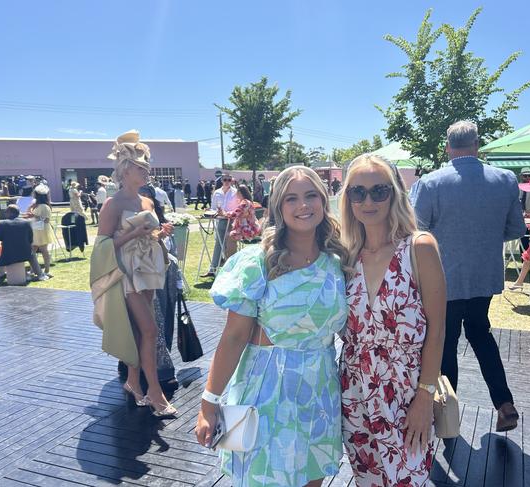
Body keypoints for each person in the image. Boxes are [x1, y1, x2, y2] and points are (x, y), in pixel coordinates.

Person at [194, 166, 351, 487]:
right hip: (264, 392)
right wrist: (208, 404)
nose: (303, 205)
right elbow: (233, 337)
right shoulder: (257, 263)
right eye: (291, 198)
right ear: (278, 207)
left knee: (311, 479)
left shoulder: (338, 264)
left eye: (311, 196)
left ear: (324, 201)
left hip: (318, 390)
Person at [410, 120, 526, 432]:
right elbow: (517, 229)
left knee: (443, 342)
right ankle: (504, 403)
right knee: (481, 334)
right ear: (477, 145)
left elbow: (415, 231)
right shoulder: (505, 179)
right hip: (482, 277)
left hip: (442, 279)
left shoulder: (431, 183)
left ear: (447, 147)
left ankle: (448, 416)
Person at [339, 155, 445, 486]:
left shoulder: (419, 248)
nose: (368, 201)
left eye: (379, 191)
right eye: (358, 192)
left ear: (396, 193)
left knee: (408, 479)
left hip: (405, 393)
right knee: (366, 479)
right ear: (348, 198)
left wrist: (425, 396)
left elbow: (438, 330)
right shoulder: (345, 256)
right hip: (353, 392)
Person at [96, 130, 176, 417]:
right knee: (150, 330)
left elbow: (151, 234)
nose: (146, 172)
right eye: (141, 168)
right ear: (125, 169)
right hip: (126, 273)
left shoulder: (147, 202)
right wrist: (134, 234)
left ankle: (132, 381)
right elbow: (103, 245)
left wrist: (158, 232)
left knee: (140, 331)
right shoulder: (113, 204)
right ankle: (155, 392)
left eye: (147, 167)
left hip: (148, 269)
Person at [0, 204, 46, 281]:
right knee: (32, 256)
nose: (5, 213)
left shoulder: (2, 224)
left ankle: (1, 275)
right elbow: (30, 239)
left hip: (9, 254)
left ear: (9, 212)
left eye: (6, 211)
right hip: (25, 253)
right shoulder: (26, 223)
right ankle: (40, 274)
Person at [204, 173, 238, 277]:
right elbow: (213, 207)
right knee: (218, 244)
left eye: (229, 179)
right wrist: (212, 211)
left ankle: (232, 270)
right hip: (221, 220)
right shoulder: (217, 192)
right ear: (222, 181)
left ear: (231, 180)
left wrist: (227, 213)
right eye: (225, 180)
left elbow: (237, 208)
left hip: (232, 221)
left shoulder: (235, 192)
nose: (227, 181)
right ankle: (213, 268)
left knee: (230, 245)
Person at [26, 184, 56, 278]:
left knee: (44, 250)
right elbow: (29, 213)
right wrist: (31, 207)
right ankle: (32, 270)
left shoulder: (44, 206)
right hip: (35, 230)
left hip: (42, 231)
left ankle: (47, 270)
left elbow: (46, 220)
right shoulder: (37, 205)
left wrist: (34, 216)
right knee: (32, 251)